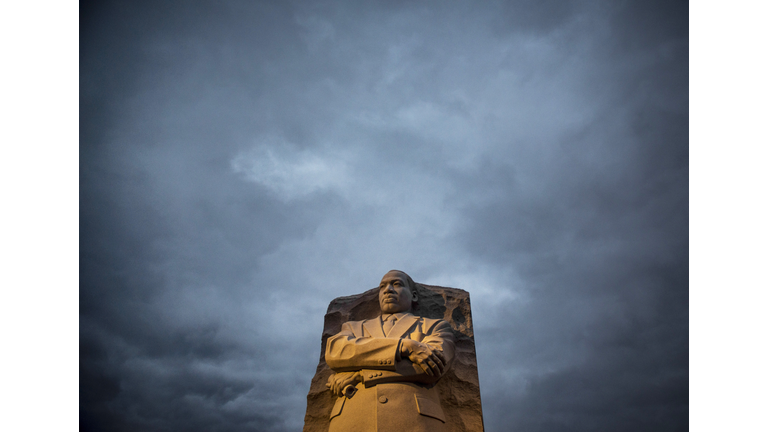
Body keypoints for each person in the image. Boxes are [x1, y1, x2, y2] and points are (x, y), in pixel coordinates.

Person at [325, 270, 456, 432]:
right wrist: (404, 346)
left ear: (414, 296)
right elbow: (336, 352)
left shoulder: (434, 327)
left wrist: (360, 375)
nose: (388, 290)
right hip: (354, 418)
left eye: (397, 284)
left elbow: (432, 367)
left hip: (414, 418)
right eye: (382, 286)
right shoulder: (354, 327)